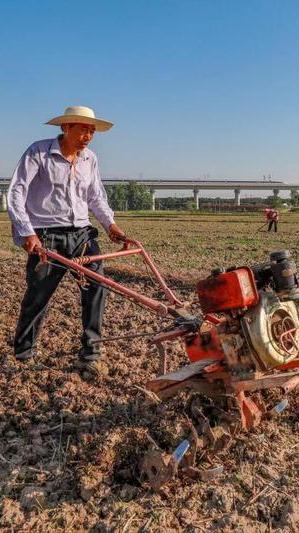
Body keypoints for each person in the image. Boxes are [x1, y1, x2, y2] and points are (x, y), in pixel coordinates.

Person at [7, 105, 125, 376]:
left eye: (92, 130)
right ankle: (24, 354)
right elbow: (16, 192)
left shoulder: (90, 159)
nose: (88, 135)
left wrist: (111, 226)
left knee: (96, 289)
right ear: (66, 128)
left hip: (82, 235)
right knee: (39, 295)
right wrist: (27, 232)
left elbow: (96, 196)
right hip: (47, 236)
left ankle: (90, 352)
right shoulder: (39, 152)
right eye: (83, 129)